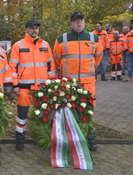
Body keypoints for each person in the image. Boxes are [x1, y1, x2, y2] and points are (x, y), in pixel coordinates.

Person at [53, 12, 103, 151]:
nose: (79, 23)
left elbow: (98, 57)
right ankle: (69, 139)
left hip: (88, 82)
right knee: (69, 110)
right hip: (69, 83)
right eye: (76, 21)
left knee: (89, 110)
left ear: (85, 22)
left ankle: (90, 138)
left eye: (81, 20)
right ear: (70, 23)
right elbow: (56, 59)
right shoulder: (61, 39)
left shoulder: (94, 38)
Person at [9, 20, 56, 151]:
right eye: (32, 28)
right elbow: (12, 67)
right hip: (24, 88)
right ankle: (19, 141)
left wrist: (50, 84)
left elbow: (51, 66)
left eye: (36, 28)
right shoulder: (18, 45)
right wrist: (15, 85)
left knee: (41, 115)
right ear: (26, 30)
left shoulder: (45, 45)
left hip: (41, 89)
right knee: (22, 116)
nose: (35, 30)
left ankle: (40, 139)